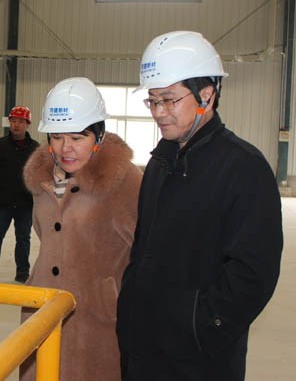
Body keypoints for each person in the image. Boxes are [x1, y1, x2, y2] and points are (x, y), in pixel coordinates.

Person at [116, 31, 283, 381]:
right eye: (152, 101)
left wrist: (199, 324)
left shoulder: (243, 167)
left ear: (207, 95)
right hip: (143, 347)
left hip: (198, 359)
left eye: (169, 100)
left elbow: (254, 274)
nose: (158, 112)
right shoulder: (160, 163)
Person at [19, 77, 142, 381]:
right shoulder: (42, 180)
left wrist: (110, 292)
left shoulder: (124, 180)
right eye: (57, 137)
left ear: (98, 135)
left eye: (77, 137)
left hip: (97, 317)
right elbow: (45, 234)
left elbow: (146, 249)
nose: (66, 148)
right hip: (42, 308)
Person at [0, 106, 39, 283]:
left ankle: (22, 272)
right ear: (9, 122)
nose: (16, 125)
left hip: (25, 203)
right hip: (3, 201)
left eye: (21, 121)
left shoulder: (35, 149)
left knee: (23, 238)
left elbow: (39, 177)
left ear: (27, 124)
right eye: (14, 121)